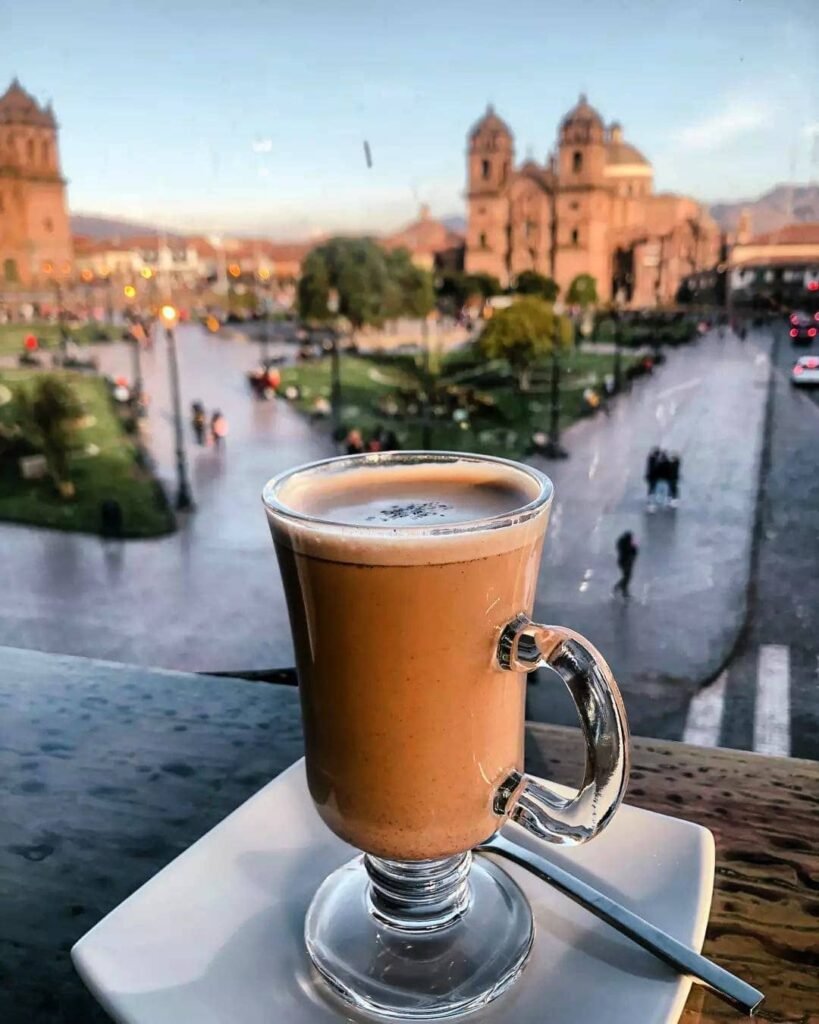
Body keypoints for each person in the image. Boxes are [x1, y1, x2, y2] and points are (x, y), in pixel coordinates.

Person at [613, 531, 638, 599]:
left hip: (625, 561)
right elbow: (633, 551)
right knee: (627, 576)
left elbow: (634, 551)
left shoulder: (623, 543)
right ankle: (620, 589)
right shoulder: (625, 544)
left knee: (627, 576)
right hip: (625, 561)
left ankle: (622, 589)